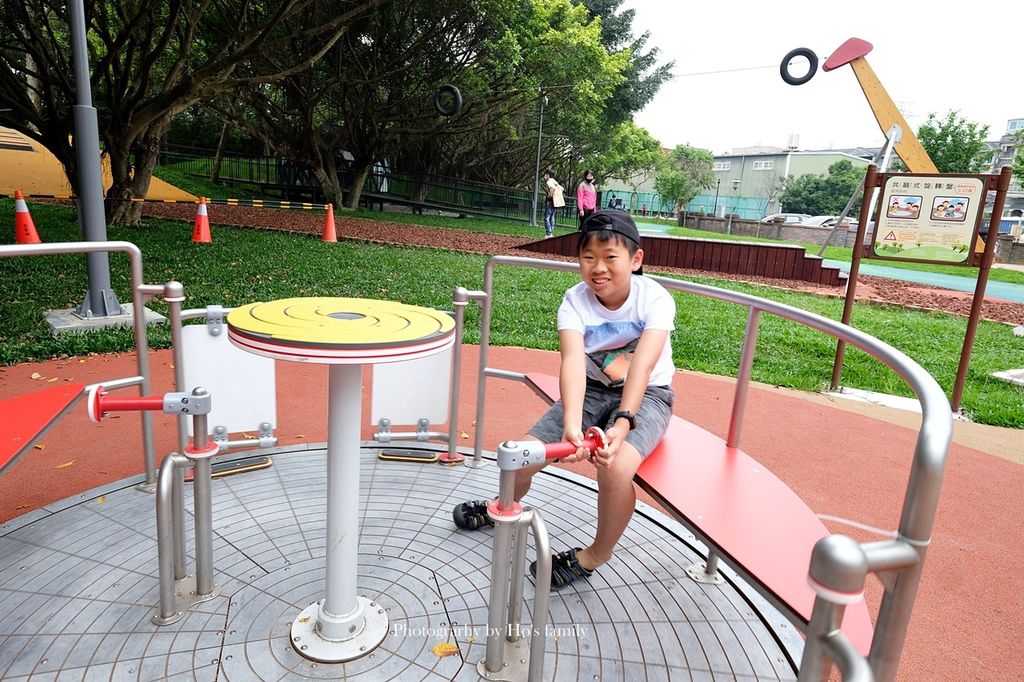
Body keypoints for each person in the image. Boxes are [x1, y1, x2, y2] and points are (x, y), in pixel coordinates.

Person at [452, 210, 676, 589]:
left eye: (610, 258)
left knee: (617, 468)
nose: (598, 268)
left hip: (649, 393)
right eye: (588, 258)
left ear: (636, 260)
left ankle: (594, 556)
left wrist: (624, 421)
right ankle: (501, 506)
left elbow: (642, 366)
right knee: (521, 454)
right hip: (589, 390)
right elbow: (572, 361)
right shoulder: (574, 300)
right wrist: (572, 424)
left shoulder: (654, 299)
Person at [543, 169, 565, 238]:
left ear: (548, 175)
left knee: (546, 218)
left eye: (545, 174)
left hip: (550, 202)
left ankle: (549, 233)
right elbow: (562, 188)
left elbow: (552, 188)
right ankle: (550, 232)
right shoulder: (554, 181)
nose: (544, 176)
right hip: (555, 203)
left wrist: (549, 195)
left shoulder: (549, 181)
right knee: (551, 217)